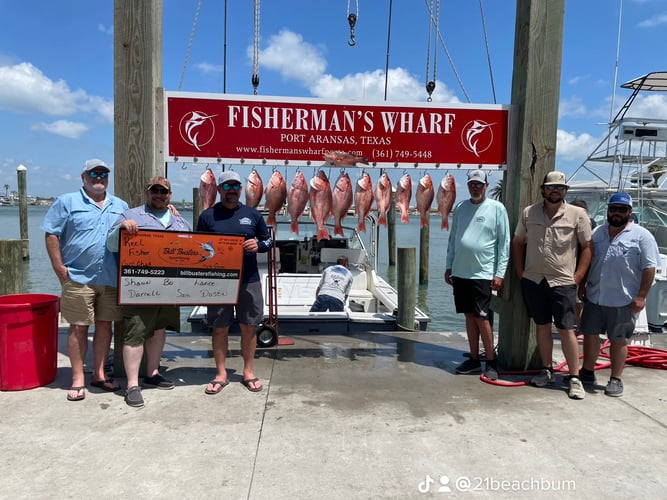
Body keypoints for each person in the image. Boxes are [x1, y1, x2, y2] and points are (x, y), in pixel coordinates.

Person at [41, 159, 129, 401]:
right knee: (78, 327)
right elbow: (51, 234)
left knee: (104, 327)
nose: (98, 177)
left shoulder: (120, 205)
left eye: (103, 174)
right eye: (94, 173)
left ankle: (99, 374)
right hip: (78, 277)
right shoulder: (67, 201)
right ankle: (78, 377)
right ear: (83, 176)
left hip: (110, 278)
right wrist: (59, 268)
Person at [107, 176, 192, 408]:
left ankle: (153, 373)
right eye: (154, 191)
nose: (158, 195)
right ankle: (132, 385)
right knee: (135, 333)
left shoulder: (179, 221)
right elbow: (111, 245)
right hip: (139, 288)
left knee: (159, 330)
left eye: (163, 192)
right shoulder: (130, 216)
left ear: (170, 196)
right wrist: (121, 230)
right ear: (147, 193)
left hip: (169, 289)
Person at [512, 171, 592, 399]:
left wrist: (576, 278)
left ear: (565, 190)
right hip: (534, 280)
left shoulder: (578, 214)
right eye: (550, 187)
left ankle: (574, 377)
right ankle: (546, 369)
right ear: (543, 189)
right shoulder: (529, 212)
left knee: (567, 329)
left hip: (562, 282)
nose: (554, 190)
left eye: (559, 187)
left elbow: (587, 248)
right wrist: (521, 273)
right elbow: (518, 243)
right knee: (542, 325)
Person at [196, 170, 273, 395]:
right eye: (227, 187)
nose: (232, 191)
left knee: (249, 327)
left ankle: (248, 372)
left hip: (248, 280)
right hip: (218, 281)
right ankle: (221, 373)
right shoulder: (207, 216)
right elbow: (197, 246)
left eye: (235, 187)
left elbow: (267, 239)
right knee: (219, 327)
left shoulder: (253, 214)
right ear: (218, 189)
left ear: (241, 189)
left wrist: (258, 245)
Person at [578, 192, 660, 397]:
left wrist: (641, 296)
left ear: (630, 212)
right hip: (595, 295)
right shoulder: (597, 233)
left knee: (619, 339)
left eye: (622, 209)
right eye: (613, 208)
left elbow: (649, 268)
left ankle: (615, 378)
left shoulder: (642, 236)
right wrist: (582, 284)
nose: (616, 213)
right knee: (590, 334)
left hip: (623, 299)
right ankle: (587, 372)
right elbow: (589, 259)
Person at [445, 170, 510, 381]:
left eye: (479, 184)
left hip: (483, 273)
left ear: (486, 185)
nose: (475, 187)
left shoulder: (497, 208)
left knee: (483, 318)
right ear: (468, 185)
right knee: (469, 316)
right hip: (461, 272)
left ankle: (491, 361)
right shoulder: (461, 208)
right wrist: (449, 265)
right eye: (472, 184)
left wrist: (499, 273)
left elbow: (504, 243)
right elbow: (453, 238)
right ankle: (474, 359)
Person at [569, 198, 596, 335]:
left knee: (579, 301)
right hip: (574, 267)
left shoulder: (588, 226)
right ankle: (579, 326)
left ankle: (581, 328)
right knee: (577, 301)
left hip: (582, 267)